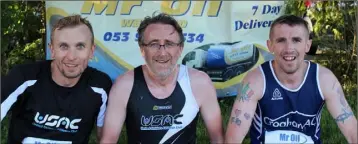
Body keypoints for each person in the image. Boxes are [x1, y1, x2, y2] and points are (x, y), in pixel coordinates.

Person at [225, 14, 357, 144]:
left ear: (307, 45)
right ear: (270, 45)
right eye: (281, 40)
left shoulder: (325, 80)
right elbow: (233, 139)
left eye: (296, 40)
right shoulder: (255, 81)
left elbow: (353, 133)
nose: (289, 48)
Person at [100, 13, 224, 144]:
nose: (162, 52)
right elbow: (108, 140)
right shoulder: (124, 85)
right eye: (154, 44)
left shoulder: (200, 83)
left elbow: (218, 138)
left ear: (180, 48)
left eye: (169, 44)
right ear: (142, 49)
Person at [1, 15, 112, 143]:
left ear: (91, 51)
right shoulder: (23, 77)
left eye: (80, 46)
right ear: (52, 49)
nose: (71, 57)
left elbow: (105, 138)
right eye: (64, 46)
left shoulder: (100, 86)